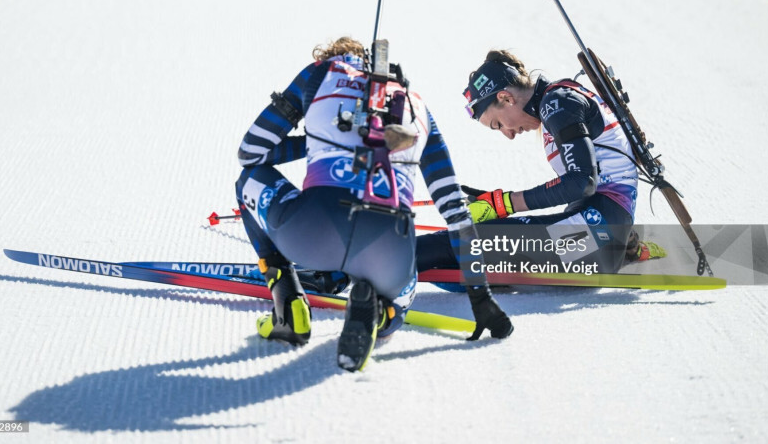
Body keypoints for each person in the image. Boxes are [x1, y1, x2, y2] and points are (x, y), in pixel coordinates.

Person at [235, 37, 513, 372]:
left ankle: (288, 305)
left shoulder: (319, 73)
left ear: (338, 59)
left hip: (311, 231)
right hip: (389, 251)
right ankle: (382, 313)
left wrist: (318, 141)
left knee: (248, 179)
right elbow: (455, 209)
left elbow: (251, 154)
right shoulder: (419, 108)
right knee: (398, 290)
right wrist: (480, 297)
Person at [416, 50, 665, 276]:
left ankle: (384, 262)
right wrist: (496, 204)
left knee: (464, 242)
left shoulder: (558, 103)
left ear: (505, 97)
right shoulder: (557, 101)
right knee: (468, 244)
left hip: (593, 240)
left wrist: (503, 204)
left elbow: (581, 182)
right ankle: (625, 245)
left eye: (498, 124)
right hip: (597, 232)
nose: (509, 134)